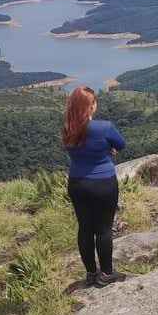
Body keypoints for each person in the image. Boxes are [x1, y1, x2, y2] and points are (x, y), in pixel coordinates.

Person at [61, 86, 126, 287]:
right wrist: (108, 149)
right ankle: (106, 274)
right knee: (103, 229)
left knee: (85, 229)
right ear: (90, 106)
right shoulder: (104, 127)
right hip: (103, 183)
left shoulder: (68, 128)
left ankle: (91, 274)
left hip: (77, 183)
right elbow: (121, 144)